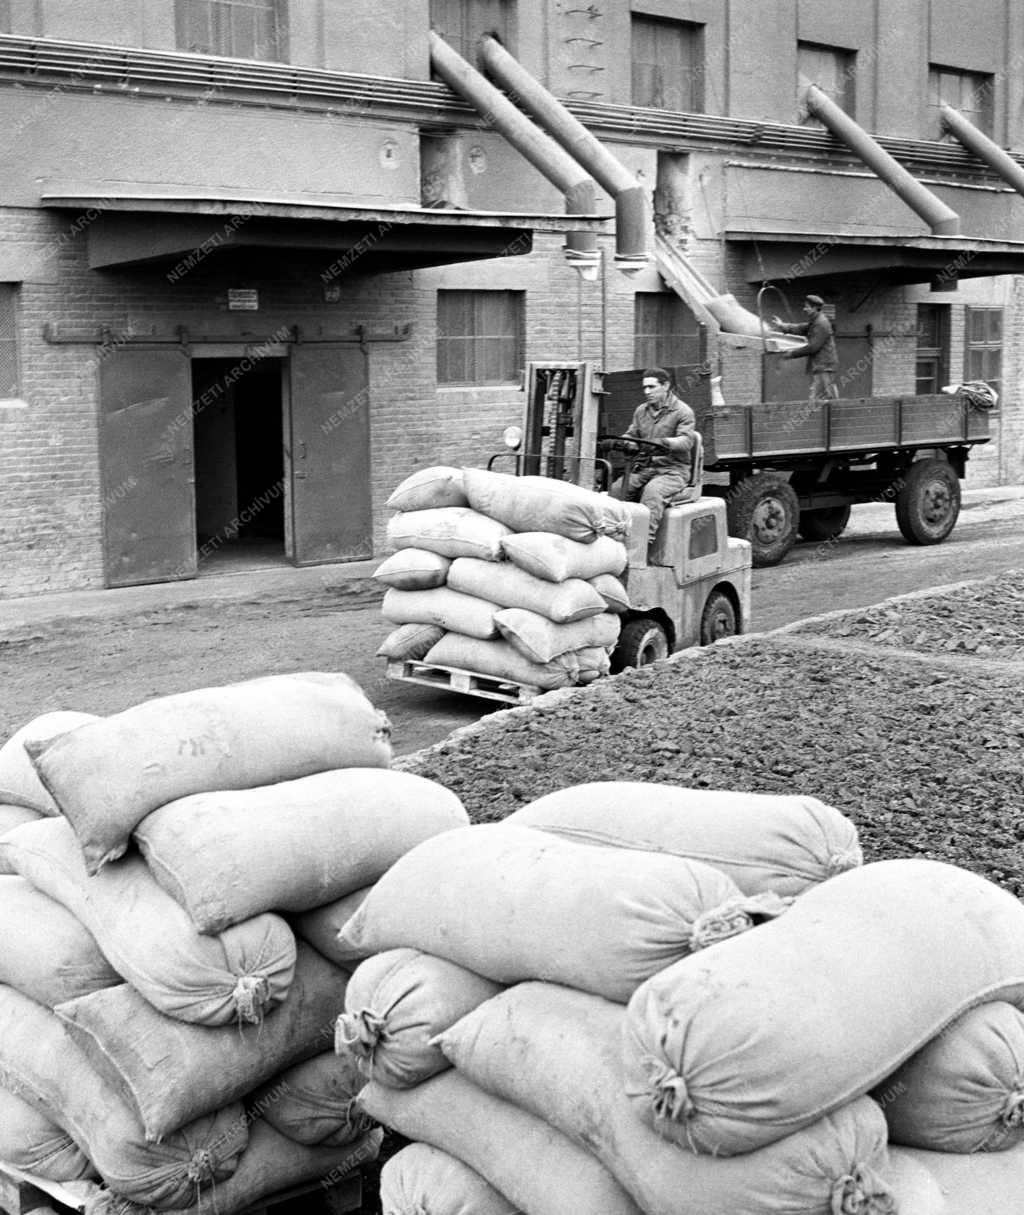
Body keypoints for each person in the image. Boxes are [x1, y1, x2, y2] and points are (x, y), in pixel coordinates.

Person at [612, 368, 698, 545]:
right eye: (645, 387)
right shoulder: (641, 411)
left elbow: (687, 441)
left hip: (673, 471)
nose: (647, 392)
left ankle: (642, 544)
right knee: (616, 490)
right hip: (646, 468)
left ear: (665, 386)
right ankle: (613, 539)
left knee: (652, 493)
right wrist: (623, 442)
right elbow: (632, 433)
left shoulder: (682, 411)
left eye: (651, 387)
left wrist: (665, 442)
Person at [772, 294, 839, 402]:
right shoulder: (816, 321)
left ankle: (835, 417)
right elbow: (801, 328)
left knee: (824, 398)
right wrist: (782, 326)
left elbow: (813, 347)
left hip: (824, 366)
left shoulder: (821, 323)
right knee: (822, 397)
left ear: (814, 308)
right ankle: (829, 416)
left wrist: (792, 354)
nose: (804, 309)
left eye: (807, 307)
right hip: (821, 366)